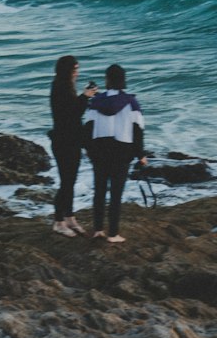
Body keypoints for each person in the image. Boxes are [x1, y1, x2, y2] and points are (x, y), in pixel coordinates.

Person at [85, 63, 146, 244]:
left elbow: (87, 128)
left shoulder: (95, 102)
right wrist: (140, 154)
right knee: (116, 194)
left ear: (107, 80)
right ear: (123, 80)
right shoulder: (131, 102)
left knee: (99, 190)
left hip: (100, 150)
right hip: (122, 150)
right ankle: (113, 234)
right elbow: (138, 130)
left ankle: (97, 230)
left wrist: (89, 150)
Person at [49, 55, 98, 237]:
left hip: (69, 140)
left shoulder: (63, 85)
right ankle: (58, 221)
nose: (77, 72)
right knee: (67, 182)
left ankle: (69, 218)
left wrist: (83, 96)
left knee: (70, 180)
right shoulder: (61, 87)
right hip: (64, 141)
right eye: (75, 69)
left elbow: (71, 110)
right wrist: (85, 96)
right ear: (67, 71)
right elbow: (72, 114)